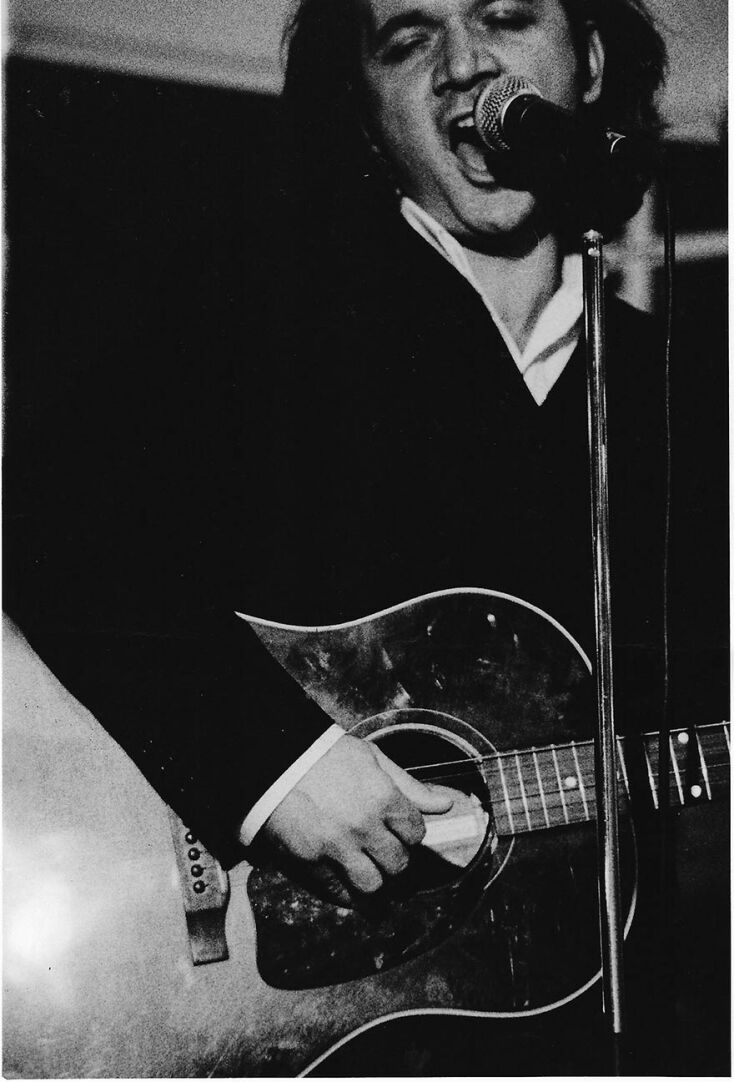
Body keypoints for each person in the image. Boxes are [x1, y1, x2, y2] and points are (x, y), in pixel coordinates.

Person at [4, 0, 726, 924]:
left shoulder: (689, 392)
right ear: (367, 115)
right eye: (409, 41)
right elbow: (43, 517)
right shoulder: (257, 311)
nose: (465, 64)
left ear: (588, 64)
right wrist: (275, 768)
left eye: (505, 17)